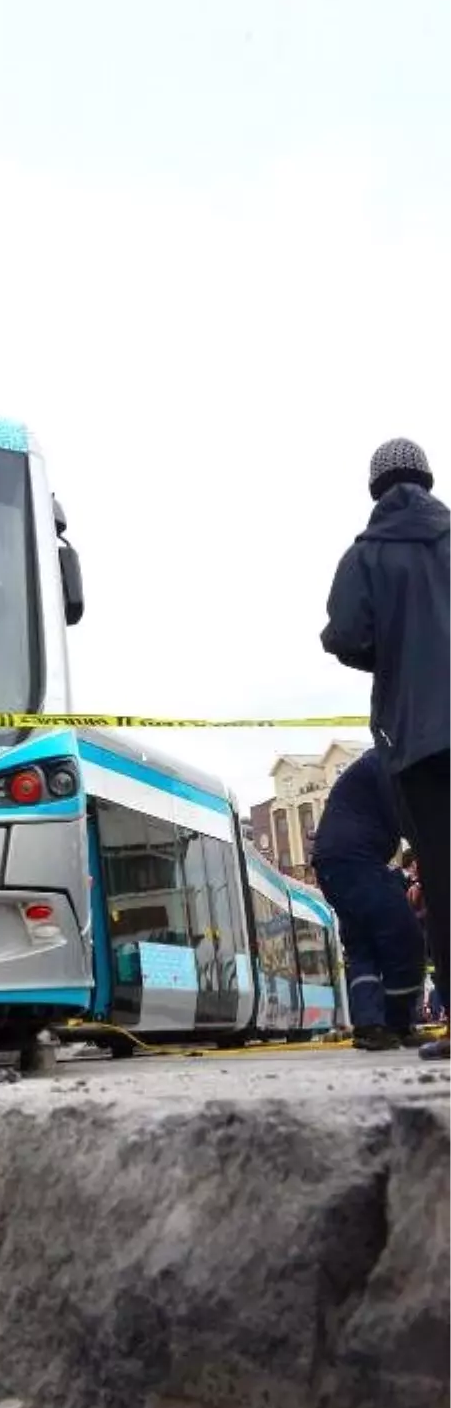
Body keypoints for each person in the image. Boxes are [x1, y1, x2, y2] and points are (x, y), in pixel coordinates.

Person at [321, 438, 451, 1062]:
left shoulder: (366, 556)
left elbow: (346, 634)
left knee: (444, 874)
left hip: (419, 738)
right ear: (428, 479)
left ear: (376, 490)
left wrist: (383, 653)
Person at [310, 747, 425, 1050]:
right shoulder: (392, 763)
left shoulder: (376, 764)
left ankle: (370, 1026)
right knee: (405, 937)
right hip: (356, 861)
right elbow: (411, 818)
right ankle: (398, 1023)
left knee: (363, 946)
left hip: (333, 864)